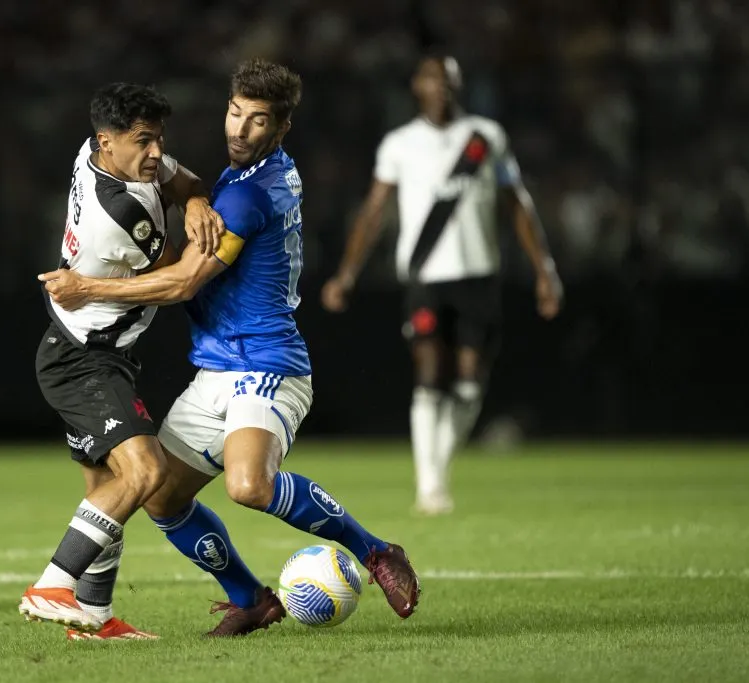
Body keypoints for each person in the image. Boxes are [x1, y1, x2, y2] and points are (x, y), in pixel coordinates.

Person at [39, 58, 420, 638]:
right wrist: (195, 201)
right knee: (162, 500)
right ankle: (251, 599)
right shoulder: (252, 176)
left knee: (249, 485)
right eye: (234, 113)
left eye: (257, 121)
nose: (239, 131)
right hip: (216, 367)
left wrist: (85, 285)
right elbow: (192, 191)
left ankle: (375, 552)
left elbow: (183, 282)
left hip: (265, 363)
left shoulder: (250, 195)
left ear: (281, 127)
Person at [20, 82, 224, 641]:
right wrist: (212, 238)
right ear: (106, 142)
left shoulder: (102, 157)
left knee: (108, 488)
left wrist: (199, 199)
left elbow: (183, 180)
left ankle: (93, 615)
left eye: (159, 139)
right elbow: (180, 280)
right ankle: (52, 583)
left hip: (84, 348)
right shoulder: (118, 211)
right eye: (143, 141)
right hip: (86, 360)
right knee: (146, 471)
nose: (155, 153)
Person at [321, 51, 564, 515]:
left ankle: (439, 468)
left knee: (470, 384)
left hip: (478, 275)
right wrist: (346, 274)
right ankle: (429, 485)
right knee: (430, 375)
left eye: (450, 80)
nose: (443, 87)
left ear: (459, 86)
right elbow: (374, 212)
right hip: (425, 277)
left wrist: (544, 269)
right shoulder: (400, 144)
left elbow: (518, 204)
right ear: (417, 86)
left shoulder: (485, 138)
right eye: (434, 79)